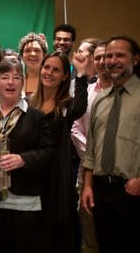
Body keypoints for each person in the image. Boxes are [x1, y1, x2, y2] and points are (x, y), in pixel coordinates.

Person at [0, 59, 54, 253]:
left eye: (16, 77)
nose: (10, 82)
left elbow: (49, 152)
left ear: (22, 82)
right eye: (5, 77)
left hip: (23, 200)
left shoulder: (36, 116)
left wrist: (23, 159)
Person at [81, 35, 140, 253]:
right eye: (108, 56)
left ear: (135, 59)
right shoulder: (100, 100)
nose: (112, 60)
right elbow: (91, 149)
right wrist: (87, 186)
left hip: (132, 190)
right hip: (100, 191)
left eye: (120, 55)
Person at [29, 51, 89, 253]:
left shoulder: (67, 105)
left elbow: (80, 107)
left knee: (57, 236)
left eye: (56, 70)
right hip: (33, 176)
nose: (49, 73)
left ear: (65, 76)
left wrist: (80, 74)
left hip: (57, 179)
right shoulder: (29, 104)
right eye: (46, 68)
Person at [71, 41, 111, 253]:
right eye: (98, 58)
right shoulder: (85, 92)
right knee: (90, 239)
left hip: (120, 176)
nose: (103, 62)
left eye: (107, 57)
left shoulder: (128, 92)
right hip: (87, 174)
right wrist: (94, 158)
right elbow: (75, 128)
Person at [18, 32, 48, 97]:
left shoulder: (50, 80)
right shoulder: (17, 81)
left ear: (44, 55)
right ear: (22, 56)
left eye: (37, 50)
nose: (33, 54)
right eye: (27, 50)